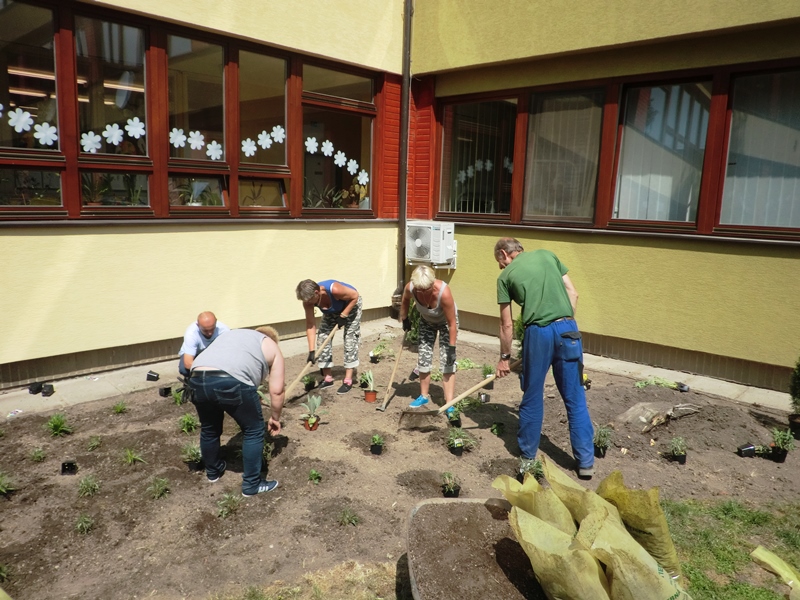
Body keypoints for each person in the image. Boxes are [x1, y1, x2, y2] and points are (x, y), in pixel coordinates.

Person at [493, 237, 595, 479]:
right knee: (575, 397)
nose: (501, 267)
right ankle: (585, 464)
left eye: (500, 262)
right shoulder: (548, 255)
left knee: (532, 395)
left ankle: (528, 457)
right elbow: (573, 293)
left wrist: (504, 357)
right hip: (569, 329)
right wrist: (564, 324)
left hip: (538, 334)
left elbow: (506, 325)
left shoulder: (505, 278)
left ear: (504, 254)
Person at [186, 326, 284, 497]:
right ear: (272, 339)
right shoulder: (271, 345)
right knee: (253, 430)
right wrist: (275, 418)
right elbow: (277, 391)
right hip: (230, 380)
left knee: (209, 428)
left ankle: (213, 472)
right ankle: (252, 485)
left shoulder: (232, 336)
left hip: (196, 378)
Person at [399, 265, 459, 411]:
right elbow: (405, 299)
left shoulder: (444, 293)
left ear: (432, 284)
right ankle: (424, 396)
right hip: (427, 322)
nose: (423, 293)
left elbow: (452, 324)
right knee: (423, 358)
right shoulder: (411, 288)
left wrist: (451, 348)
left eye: (426, 289)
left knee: (447, 361)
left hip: (446, 323)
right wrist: (405, 318)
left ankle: (449, 403)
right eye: (420, 290)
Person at [296, 279, 362, 394]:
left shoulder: (334, 290)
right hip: (332, 311)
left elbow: (355, 296)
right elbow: (310, 325)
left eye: (310, 300)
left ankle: (348, 380)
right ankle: (328, 378)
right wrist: (311, 351)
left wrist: (344, 315)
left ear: (316, 293)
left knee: (350, 339)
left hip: (351, 305)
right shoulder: (308, 301)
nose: (308, 303)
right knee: (323, 338)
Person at [178, 311, 229, 376]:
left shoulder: (223, 330)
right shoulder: (191, 334)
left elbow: (229, 352)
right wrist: (209, 372)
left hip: (214, 353)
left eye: (212, 329)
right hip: (196, 354)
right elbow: (188, 363)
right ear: (198, 325)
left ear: (216, 322)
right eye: (205, 330)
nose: (210, 333)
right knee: (184, 370)